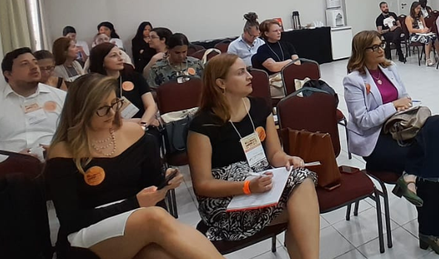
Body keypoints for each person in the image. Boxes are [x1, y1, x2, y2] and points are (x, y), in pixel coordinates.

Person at [45, 74, 224, 259]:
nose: (112, 113)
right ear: (81, 111)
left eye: (115, 104)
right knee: (153, 218)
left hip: (139, 222)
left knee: (161, 254)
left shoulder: (137, 136)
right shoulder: (63, 152)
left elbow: (154, 193)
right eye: (102, 109)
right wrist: (134, 203)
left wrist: (163, 186)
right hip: (87, 232)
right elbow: (71, 220)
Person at [187, 54, 319, 256]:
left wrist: (288, 160)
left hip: (262, 185)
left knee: (302, 181)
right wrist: (248, 186)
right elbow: (203, 185)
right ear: (221, 83)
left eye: (247, 70)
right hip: (228, 199)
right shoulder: (202, 125)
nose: (249, 76)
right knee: (301, 206)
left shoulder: (259, 107)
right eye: (241, 73)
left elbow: (275, 153)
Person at [343, 31, 439, 256]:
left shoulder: (390, 69)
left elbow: (406, 98)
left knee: (437, 123)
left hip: (400, 129)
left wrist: (404, 107)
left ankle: (410, 176)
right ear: (361, 52)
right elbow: (363, 120)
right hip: (376, 141)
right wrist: (393, 106)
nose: (380, 50)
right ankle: (431, 233)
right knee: (428, 165)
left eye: (381, 45)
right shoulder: (353, 80)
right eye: (374, 47)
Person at [1, 48, 67, 161]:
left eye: (35, 62)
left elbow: (76, 133)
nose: (34, 67)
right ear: (8, 74)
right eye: (24, 64)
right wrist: (9, 159)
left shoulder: (61, 97)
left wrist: (60, 150)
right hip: (9, 169)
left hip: (55, 163)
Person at [89, 43, 158, 126]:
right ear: (101, 61)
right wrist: (136, 122)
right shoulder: (95, 85)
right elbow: (101, 119)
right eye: (114, 56)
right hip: (112, 129)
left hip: (143, 126)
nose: (120, 58)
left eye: (120, 54)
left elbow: (151, 106)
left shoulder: (134, 77)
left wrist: (143, 124)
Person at [251, 20, 300, 98]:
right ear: (266, 33)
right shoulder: (262, 49)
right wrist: (290, 61)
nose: (279, 32)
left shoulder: (287, 45)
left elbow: (297, 63)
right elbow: (274, 67)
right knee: (296, 89)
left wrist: (284, 64)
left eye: (279, 30)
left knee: (310, 85)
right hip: (273, 83)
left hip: (290, 77)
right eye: (275, 31)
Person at [406, 2, 438, 66]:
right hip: (414, 35)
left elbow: (424, 26)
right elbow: (410, 30)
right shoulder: (409, 18)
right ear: (413, 9)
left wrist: (427, 30)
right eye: (417, 8)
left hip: (423, 33)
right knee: (427, 39)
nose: (419, 10)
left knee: (435, 36)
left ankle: (438, 56)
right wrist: (421, 31)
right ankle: (428, 59)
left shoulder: (420, 17)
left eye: (419, 8)